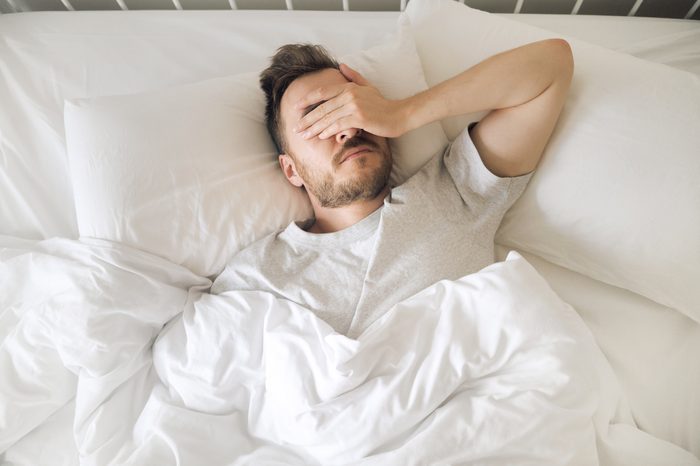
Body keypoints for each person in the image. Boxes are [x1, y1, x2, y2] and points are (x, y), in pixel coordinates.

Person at [211, 39, 574, 339]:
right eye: (317, 118)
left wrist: (401, 113)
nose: (347, 127)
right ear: (291, 170)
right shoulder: (256, 276)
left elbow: (552, 64)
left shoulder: (455, 193)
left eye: (351, 107)